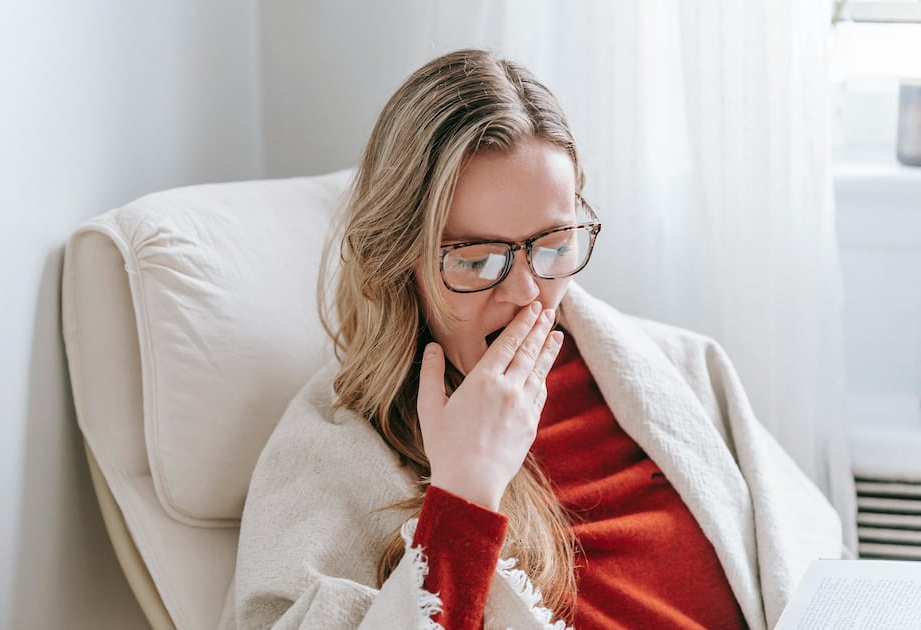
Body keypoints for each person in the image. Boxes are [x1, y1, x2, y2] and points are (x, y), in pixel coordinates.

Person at [223, 49, 842, 630]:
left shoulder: (683, 368)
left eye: (553, 246)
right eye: (475, 258)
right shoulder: (333, 444)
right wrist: (464, 488)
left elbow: (817, 562)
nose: (526, 294)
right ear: (397, 259)